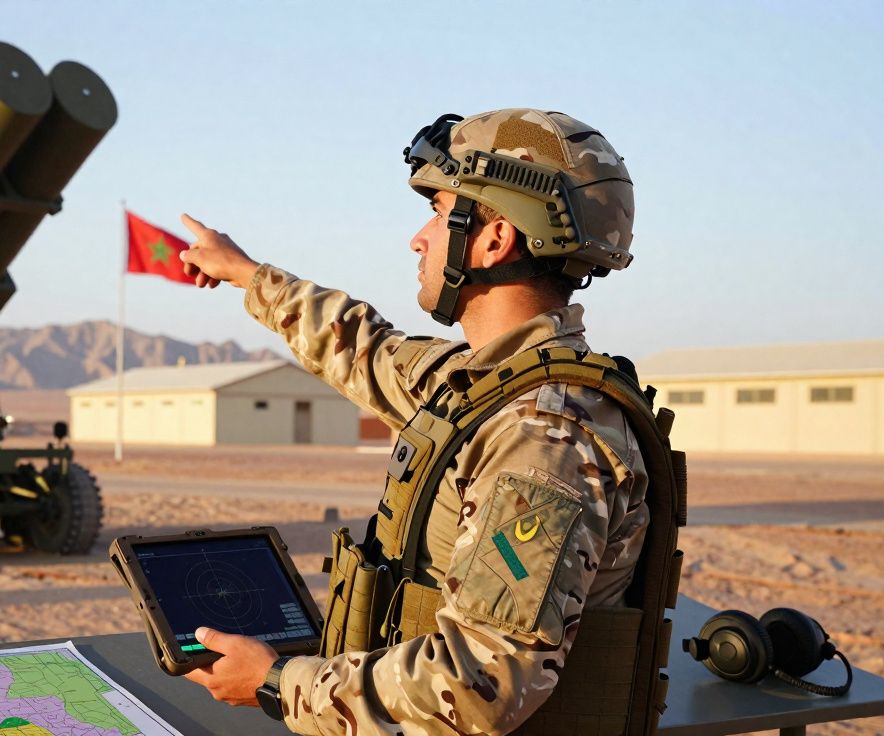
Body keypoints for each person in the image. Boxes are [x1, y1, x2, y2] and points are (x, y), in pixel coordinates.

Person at [177, 109, 651, 735]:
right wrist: (244, 272)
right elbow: (364, 347)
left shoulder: (540, 437)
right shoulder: (486, 386)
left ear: (494, 238)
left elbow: (483, 681)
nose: (419, 238)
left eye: (439, 210)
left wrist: (274, 683)